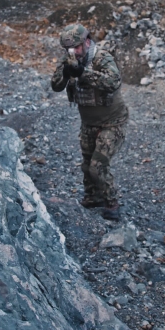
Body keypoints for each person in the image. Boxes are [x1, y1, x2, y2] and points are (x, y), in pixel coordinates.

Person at [51, 23, 129, 221]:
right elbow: (56, 85)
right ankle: (92, 197)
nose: (73, 52)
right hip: (88, 123)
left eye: (77, 47)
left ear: (86, 42)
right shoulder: (68, 60)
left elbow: (114, 82)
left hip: (112, 122)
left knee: (98, 166)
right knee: (87, 165)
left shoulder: (102, 58)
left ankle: (111, 203)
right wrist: (67, 73)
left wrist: (83, 74)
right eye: (69, 49)